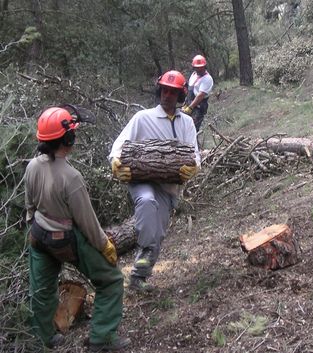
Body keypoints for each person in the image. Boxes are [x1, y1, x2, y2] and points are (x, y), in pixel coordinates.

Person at [24, 106, 130, 351]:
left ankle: (43, 338)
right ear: (68, 139)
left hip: (38, 235)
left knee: (40, 290)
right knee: (111, 280)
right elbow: (87, 223)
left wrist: (36, 226)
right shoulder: (71, 177)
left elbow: (30, 207)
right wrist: (105, 246)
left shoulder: (32, 166)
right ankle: (102, 338)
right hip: (65, 239)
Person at [109, 70, 200, 292]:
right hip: (141, 180)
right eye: (165, 90)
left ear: (180, 95)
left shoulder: (187, 123)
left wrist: (194, 167)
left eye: (173, 92)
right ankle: (143, 249)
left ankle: (138, 277)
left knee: (157, 234)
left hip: (168, 187)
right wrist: (116, 162)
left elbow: (194, 154)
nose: (167, 95)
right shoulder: (142, 118)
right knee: (147, 202)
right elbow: (119, 146)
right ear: (159, 90)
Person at [181, 54, 214, 131]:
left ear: (204, 66)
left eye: (200, 67)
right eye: (197, 67)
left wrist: (190, 108)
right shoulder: (194, 74)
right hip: (189, 102)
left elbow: (200, 95)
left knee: (193, 129)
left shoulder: (207, 79)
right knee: (184, 127)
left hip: (198, 106)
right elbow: (190, 89)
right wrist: (185, 104)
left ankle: (194, 142)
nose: (199, 69)